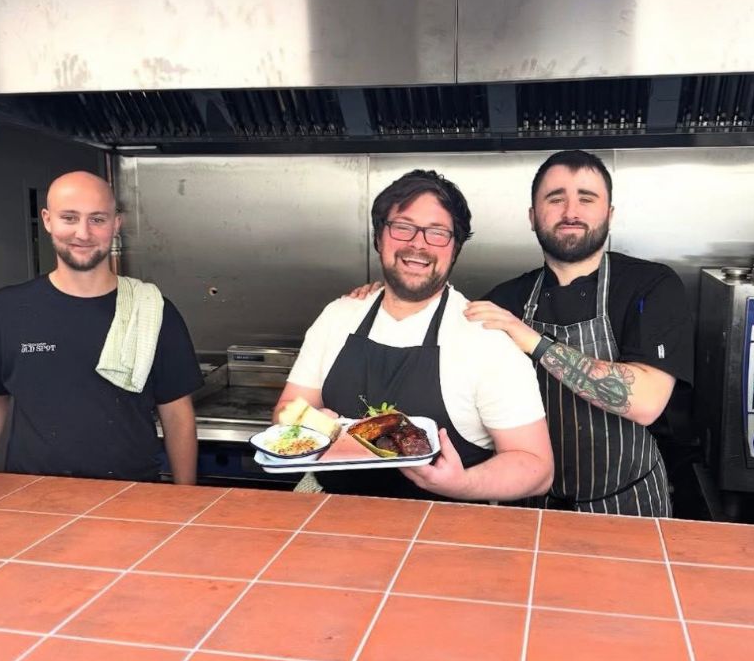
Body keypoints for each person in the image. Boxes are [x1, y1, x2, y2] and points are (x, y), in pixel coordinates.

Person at [274, 169, 553, 502]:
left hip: (445, 521)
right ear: (379, 237)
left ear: (455, 248)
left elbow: (536, 467)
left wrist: (462, 484)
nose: (418, 243)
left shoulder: (487, 340)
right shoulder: (338, 316)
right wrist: (311, 423)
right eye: (403, 227)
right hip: (329, 507)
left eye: (437, 232)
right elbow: (286, 410)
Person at [465, 150, 694, 516]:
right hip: (529, 507)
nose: (571, 211)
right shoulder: (505, 300)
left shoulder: (650, 285)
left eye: (586, 199)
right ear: (532, 216)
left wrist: (533, 341)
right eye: (555, 199)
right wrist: (384, 299)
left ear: (609, 214)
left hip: (629, 503)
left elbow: (646, 402)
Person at [0, 171, 202, 483]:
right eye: (69, 218)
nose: (83, 233)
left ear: (116, 224)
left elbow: (176, 413)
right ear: (48, 220)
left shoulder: (152, 310)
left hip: (130, 493)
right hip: (32, 492)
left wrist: (186, 496)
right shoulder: (9, 307)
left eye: (97, 219)